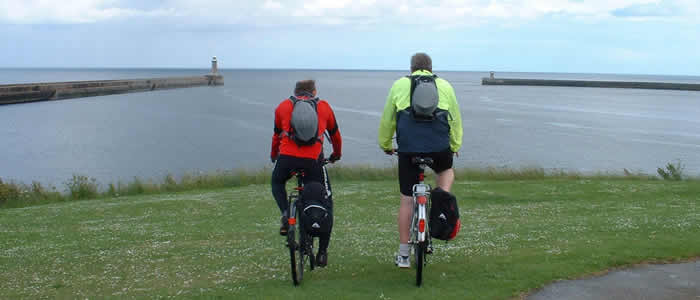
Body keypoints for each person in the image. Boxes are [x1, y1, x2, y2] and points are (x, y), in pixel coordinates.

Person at [377, 53, 463, 268]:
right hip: (439, 149)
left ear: (412, 68)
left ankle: (404, 254)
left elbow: (388, 120)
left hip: (408, 150)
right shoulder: (445, 86)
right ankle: (441, 194)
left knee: (407, 199)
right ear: (431, 68)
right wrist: (455, 146)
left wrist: (386, 145)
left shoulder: (399, 85)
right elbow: (455, 120)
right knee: (446, 171)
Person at [270, 79, 342, 267]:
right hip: (313, 161)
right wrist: (336, 155)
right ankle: (323, 252)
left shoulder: (283, 106)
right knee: (326, 200)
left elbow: (276, 135)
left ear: (295, 91)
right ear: (314, 91)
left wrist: (273, 155)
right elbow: (335, 135)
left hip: (286, 159)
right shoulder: (324, 107)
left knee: (277, 182)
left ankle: (286, 213)